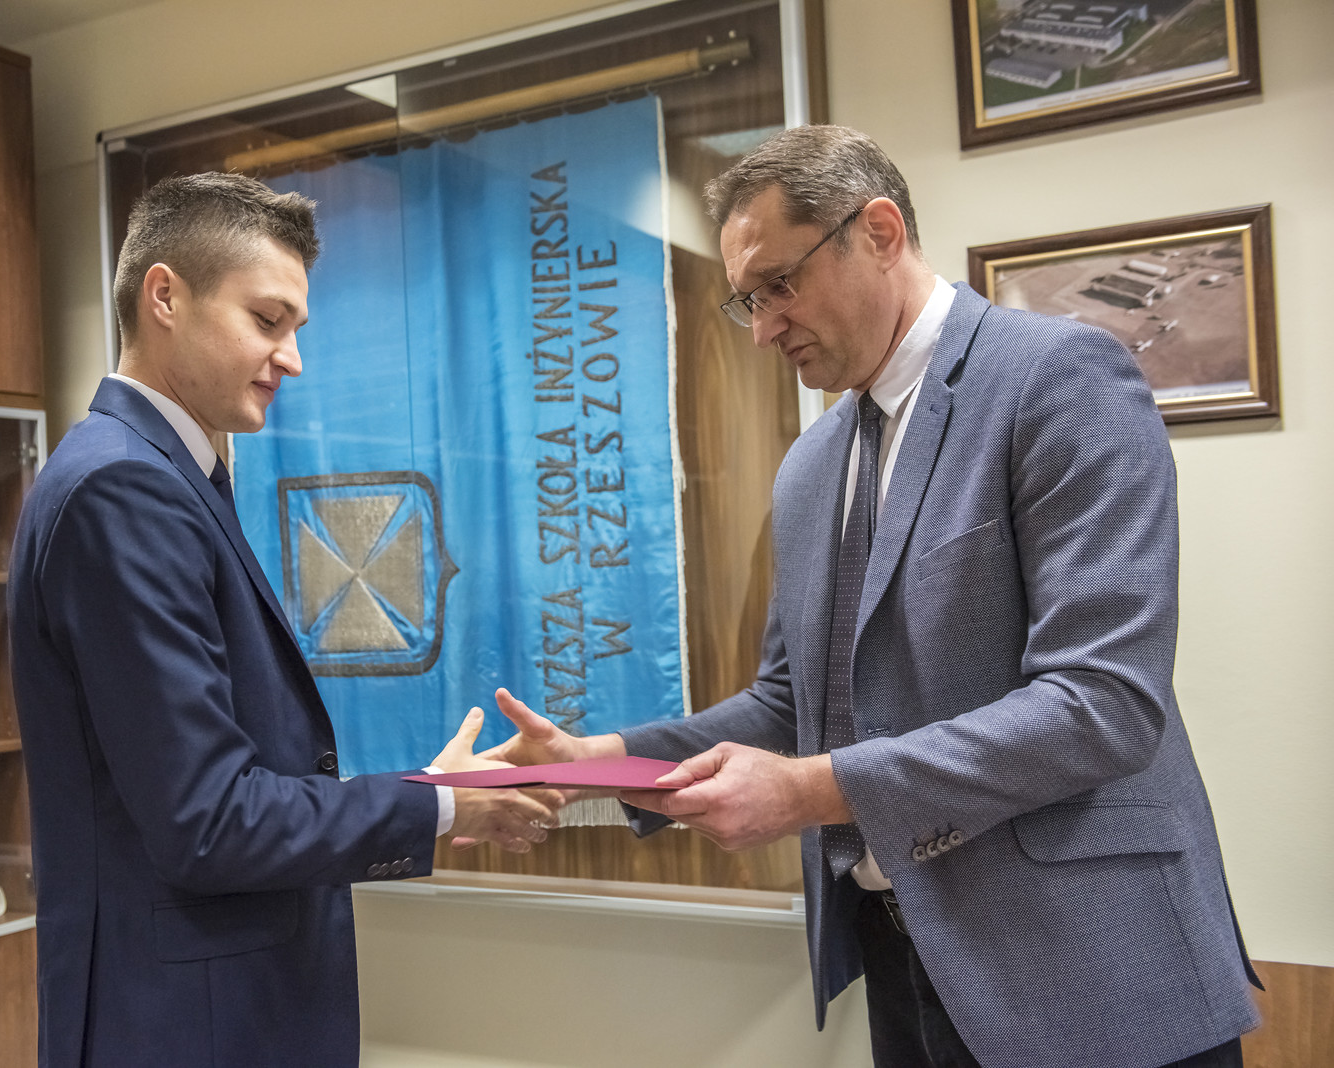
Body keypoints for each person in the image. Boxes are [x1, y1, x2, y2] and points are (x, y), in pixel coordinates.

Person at [478, 126, 1260, 1068]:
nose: (763, 329)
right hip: (903, 958)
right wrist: (601, 762)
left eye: (779, 284)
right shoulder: (812, 463)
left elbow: (1104, 705)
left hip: (1090, 969)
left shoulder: (1058, 378)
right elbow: (790, 704)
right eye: (747, 300)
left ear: (880, 232)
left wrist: (811, 791)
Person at [8, 172, 560, 1068]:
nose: (292, 357)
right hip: (183, 1026)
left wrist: (434, 792)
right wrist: (440, 804)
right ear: (165, 297)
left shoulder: (166, 474)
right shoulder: (125, 488)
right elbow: (209, 820)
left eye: (295, 328)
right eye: (268, 321)